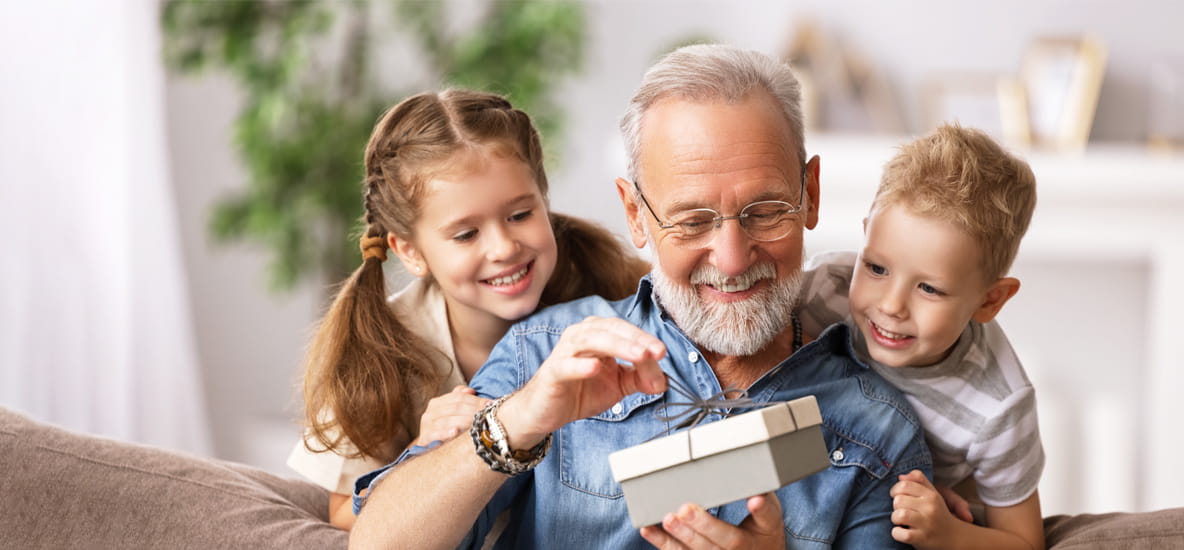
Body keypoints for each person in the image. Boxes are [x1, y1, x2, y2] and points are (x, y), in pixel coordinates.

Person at [350, 44, 935, 549]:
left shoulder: (876, 431)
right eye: (691, 221)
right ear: (635, 215)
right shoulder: (543, 354)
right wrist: (520, 418)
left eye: (764, 211)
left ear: (810, 194)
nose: (731, 258)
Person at [286, 89, 649, 530]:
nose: (503, 248)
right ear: (411, 252)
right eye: (465, 235)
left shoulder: (612, 291)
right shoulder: (373, 356)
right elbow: (346, 517)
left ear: (544, 197)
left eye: (520, 214)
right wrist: (424, 449)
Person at [797, 124, 1043, 550]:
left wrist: (949, 533)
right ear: (865, 234)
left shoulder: (999, 408)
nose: (891, 305)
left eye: (928, 288)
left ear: (990, 301)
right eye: (876, 267)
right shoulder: (821, 293)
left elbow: (1024, 541)